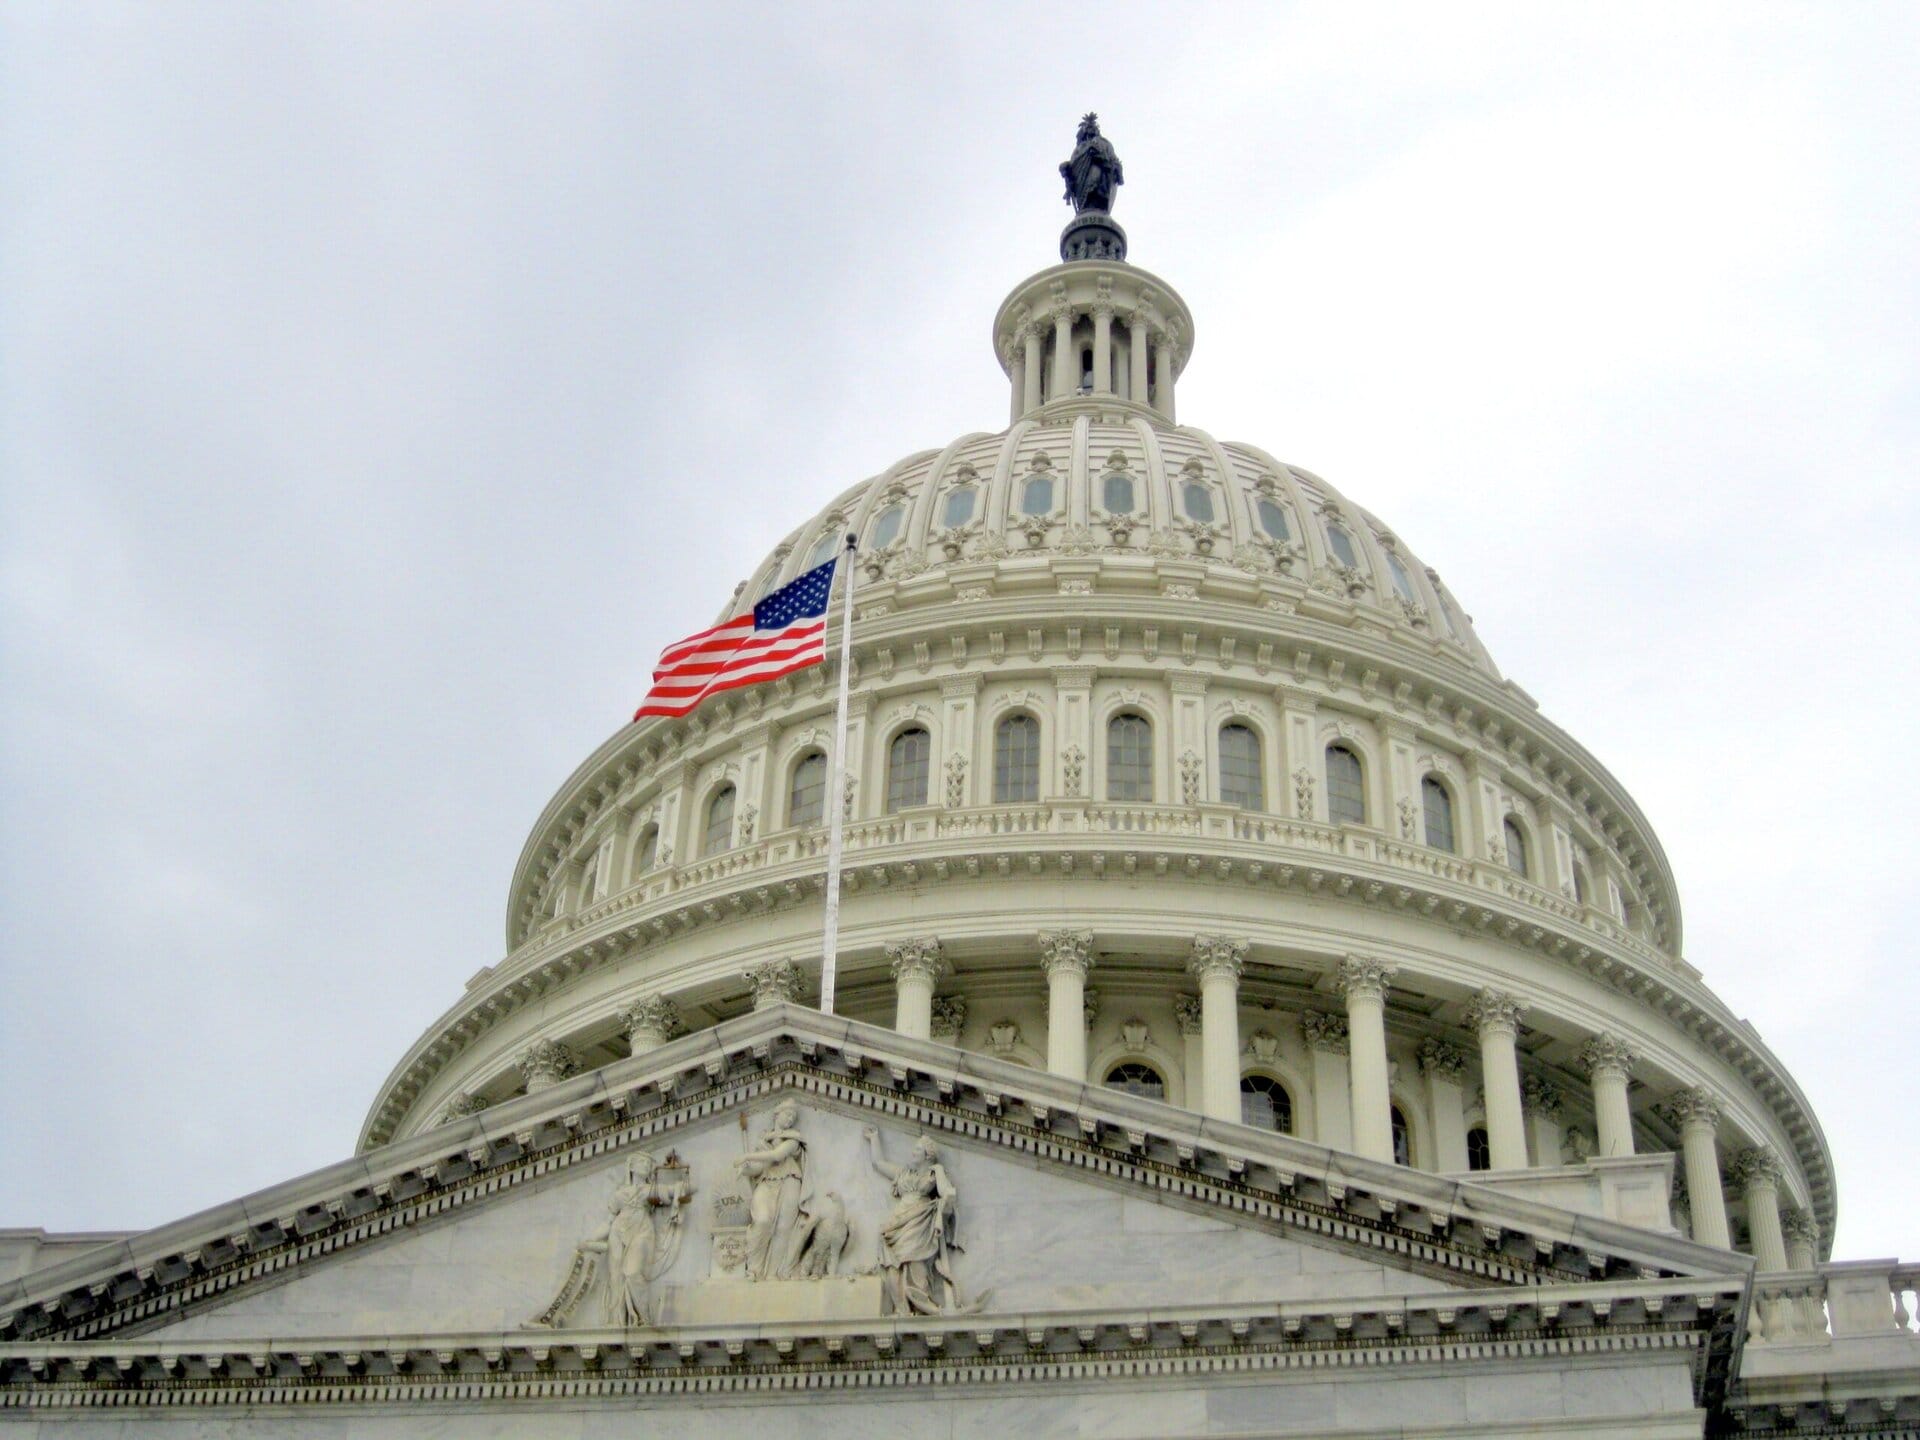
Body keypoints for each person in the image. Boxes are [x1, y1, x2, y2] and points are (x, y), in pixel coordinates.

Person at [579, 1152, 688, 1327]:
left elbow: (677, 1190)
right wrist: (590, 1240)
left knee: (633, 1272)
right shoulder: (619, 1195)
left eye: (648, 1163)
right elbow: (608, 1222)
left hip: (641, 1231)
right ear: (631, 1166)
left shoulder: (650, 1189)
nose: (646, 1165)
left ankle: (644, 1318)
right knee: (616, 1278)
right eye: (642, 1162)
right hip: (618, 1233)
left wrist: (679, 1185)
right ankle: (618, 1320)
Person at [863, 1126, 962, 1315]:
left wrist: (939, 1170)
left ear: (927, 1155)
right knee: (892, 1264)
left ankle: (921, 1306)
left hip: (919, 1220)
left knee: (916, 1263)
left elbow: (946, 1193)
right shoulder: (903, 1173)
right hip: (897, 1221)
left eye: (917, 1149)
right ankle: (901, 1308)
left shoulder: (933, 1173)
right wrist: (874, 1138)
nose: (913, 1152)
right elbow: (878, 1163)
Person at [735, 1099, 808, 1279]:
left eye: (793, 1117)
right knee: (762, 1220)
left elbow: (777, 1155)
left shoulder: (794, 1139)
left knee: (783, 1228)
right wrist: (746, 1169)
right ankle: (754, 1270)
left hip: (790, 1181)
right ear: (777, 1114)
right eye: (788, 1114)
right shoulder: (764, 1140)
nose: (790, 1119)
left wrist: (747, 1156)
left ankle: (774, 1274)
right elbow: (760, 1168)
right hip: (767, 1181)